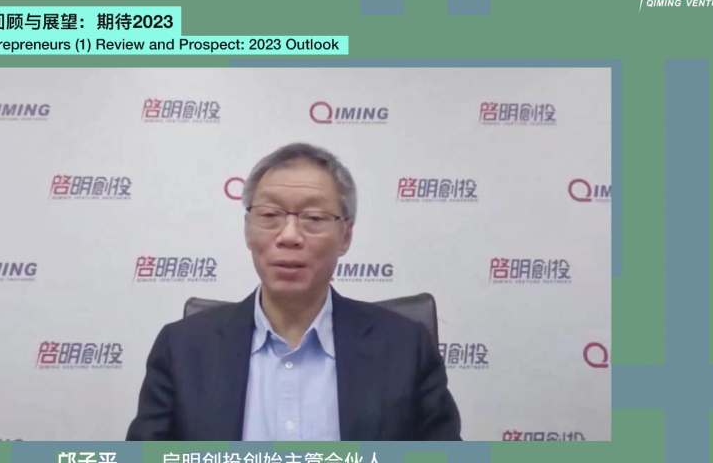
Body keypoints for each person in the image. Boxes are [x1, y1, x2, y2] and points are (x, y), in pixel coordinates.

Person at [126, 143, 462, 441]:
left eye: (313, 218)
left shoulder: (405, 348)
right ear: (247, 229)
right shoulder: (183, 348)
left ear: (345, 236)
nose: (289, 236)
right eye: (270, 215)